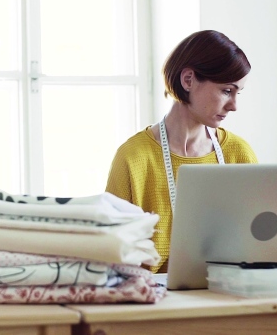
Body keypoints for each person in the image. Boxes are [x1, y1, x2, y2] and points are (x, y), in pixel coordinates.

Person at [105, 30, 258, 273]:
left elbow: (257, 242)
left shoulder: (238, 154)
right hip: (154, 301)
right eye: (227, 91)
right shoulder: (133, 158)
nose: (234, 105)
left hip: (226, 293)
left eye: (238, 93)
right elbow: (110, 254)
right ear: (188, 80)